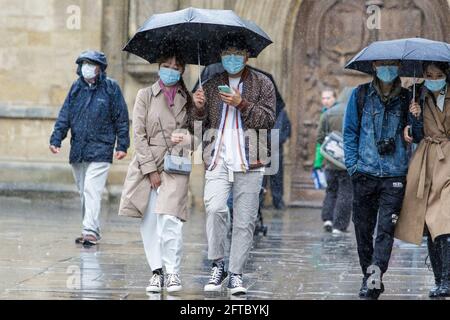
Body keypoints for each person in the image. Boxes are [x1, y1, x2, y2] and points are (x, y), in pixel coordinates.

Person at [192, 35, 276, 295]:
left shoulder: (263, 83)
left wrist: (242, 104)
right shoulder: (210, 84)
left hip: (251, 159)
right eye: (227, 52)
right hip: (217, 157)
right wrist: (198, 109)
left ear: (247, 56)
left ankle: (236, 273)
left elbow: (268, 120)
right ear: (220, 56)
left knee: (245, 221)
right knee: (215, 208)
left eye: (237, 53)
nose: (232, 57)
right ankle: (218, 264)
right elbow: (197, 126)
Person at [118, 51, 195, 294]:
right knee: (150, 221)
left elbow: (199, 137)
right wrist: (150, 169)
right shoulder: (145, 95)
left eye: (176, 66)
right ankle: (157, 271)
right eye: (166, 65)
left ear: (182, 70)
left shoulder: (190, 99)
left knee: (171, 219)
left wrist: (186, 137)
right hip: (147, 164)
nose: (171, 69)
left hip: (175, 164)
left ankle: (172, 271)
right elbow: (138, 135)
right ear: (158, 67)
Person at [343, 60, 410, 299]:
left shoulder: (408, 98)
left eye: (392, 65)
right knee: (363, 229)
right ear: (374, 66)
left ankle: (374, 276)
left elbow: (419, 133)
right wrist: (353, 166)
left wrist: (416, 119)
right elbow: (350, 131)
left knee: (385, 230)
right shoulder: (360, 95)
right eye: (383, 64)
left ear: (399, 68)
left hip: (395, 174)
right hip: (365, 173)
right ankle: (367, 274)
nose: (387, 69)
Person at [49, 50, 130, 246]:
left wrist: (122, 144)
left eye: (91, 63)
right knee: (84, 190)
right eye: (84, 63)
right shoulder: (76, 88)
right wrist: (56, 138)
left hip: (101, 147)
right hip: (79, 148)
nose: (87, 67)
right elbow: (65, 114)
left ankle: (90, 231)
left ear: (100, 68)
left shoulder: (111, 88)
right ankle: (92, 228)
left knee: (91, 189)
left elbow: (121, 117)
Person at [397, 61, 450, 298]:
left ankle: (447, 280)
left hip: (448, 160)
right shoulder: (418, 95)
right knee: (429, 222)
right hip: (426, 162)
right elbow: (417, 136)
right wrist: (414, 117)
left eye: (438, 75)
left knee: (445, 220)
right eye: (429, 74)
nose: (433, 78)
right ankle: (439, 279)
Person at [317, 97, 352, 234]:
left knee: (331, 191)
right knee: (345, 193)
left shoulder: (328, 113)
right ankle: (339, 225)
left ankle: (328, 219)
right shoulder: (353, 111)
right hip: (347, 162)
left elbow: (319, 137)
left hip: (330, 162)